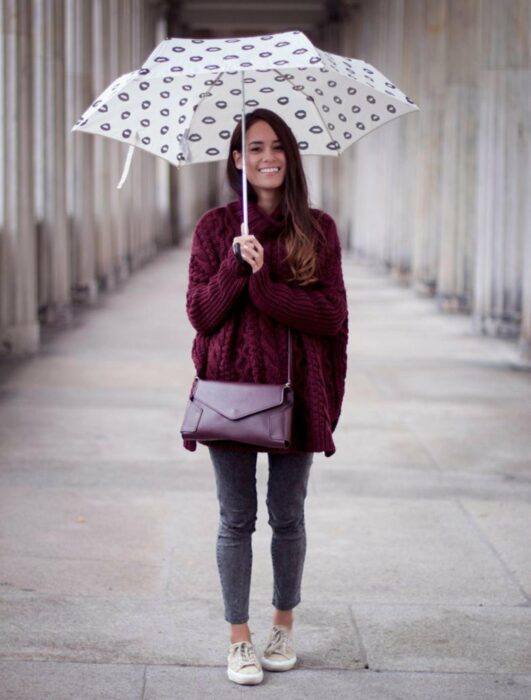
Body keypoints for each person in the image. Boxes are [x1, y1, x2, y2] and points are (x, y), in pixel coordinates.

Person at [183, 108, 349, 685]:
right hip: (229, 393)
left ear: (291, 155)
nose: (266, 157)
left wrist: (265, 284)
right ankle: (239, 639)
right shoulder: (215, 228)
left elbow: (330, 317)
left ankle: (282, 624)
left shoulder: (318, 228)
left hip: (297, 393)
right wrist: (234, 266)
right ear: (237, 160)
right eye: (253, 147)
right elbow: (201, 315)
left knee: (287, 516)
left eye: (276, 146)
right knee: (235, 519)